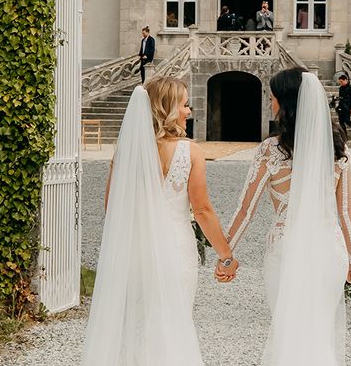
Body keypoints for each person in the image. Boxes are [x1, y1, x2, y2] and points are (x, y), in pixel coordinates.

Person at [82, 77, 238, 365]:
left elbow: (112, 209)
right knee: (174, 324)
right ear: (168, 109)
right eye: (184, 104)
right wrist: (226, 255)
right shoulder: (190, 151)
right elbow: (202, 210)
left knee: (138, 326)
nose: (189, 111)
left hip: (136, 253)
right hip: (176, 252)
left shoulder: (126, 153)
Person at [225, 67, 351, 365]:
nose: (271, 103)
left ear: (286, 103)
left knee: (289, 333)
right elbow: (346, 210)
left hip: (285, 251)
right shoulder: (339, 149)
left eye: (274, 97)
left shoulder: (270, 151)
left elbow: (245, 208)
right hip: (329, 252)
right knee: (318, 334)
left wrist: (226, 252)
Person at [335, 73, 351, 139]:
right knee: (341, 122)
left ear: (346, 80)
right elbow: (341, 97)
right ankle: (345, 136)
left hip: (348, 107)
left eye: (342, 82)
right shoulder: (341, 88)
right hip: (341, 106)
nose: (341, 83)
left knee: (347, 120)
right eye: (340, 82)